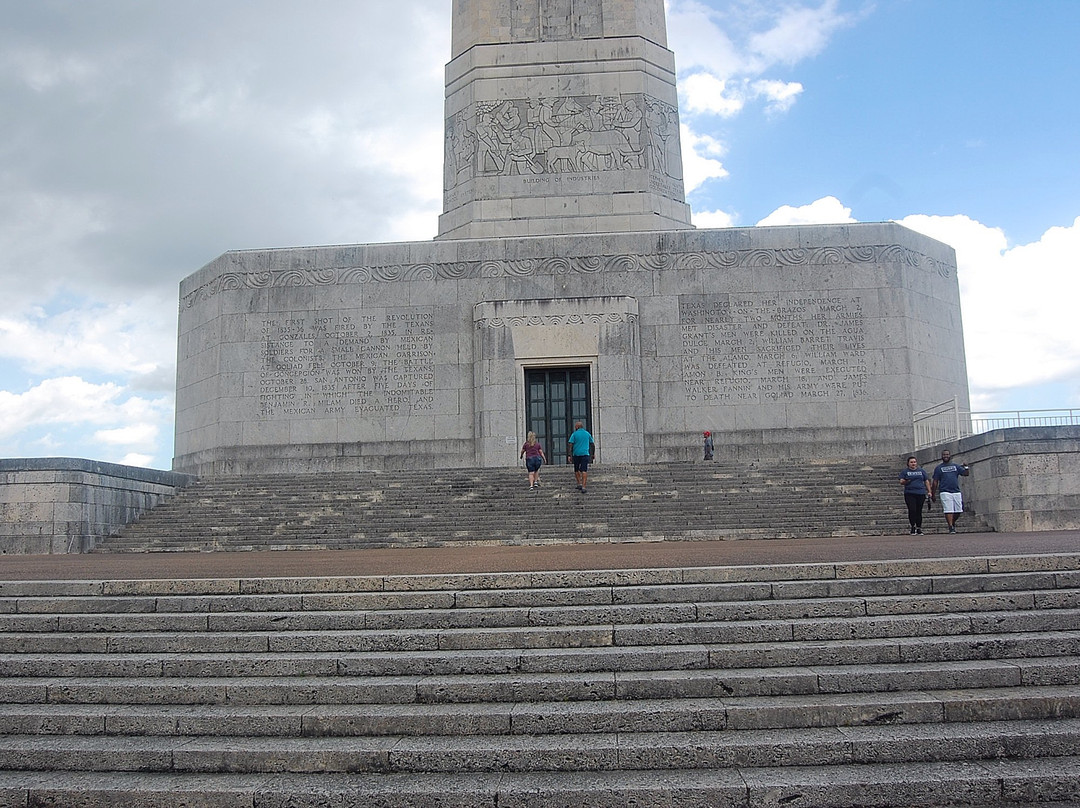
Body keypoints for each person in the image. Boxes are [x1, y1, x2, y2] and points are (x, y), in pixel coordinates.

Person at [932, 449, 970, 534]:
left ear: (950, 456)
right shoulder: (939, 468)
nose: (945, 456)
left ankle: (952, 522)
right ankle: (950, 527)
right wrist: (933, 493)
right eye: (944, 455)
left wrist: (966, 467)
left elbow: (966, 474)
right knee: (948, 509)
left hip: (956, 491)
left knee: (958, 510)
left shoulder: (955, 466)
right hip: (945, 491)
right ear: (941, 456)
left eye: (947, 454)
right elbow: (935, 481)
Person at [899, 456, 931, 535]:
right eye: (911, 462)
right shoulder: (905, 472)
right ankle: (912, 526)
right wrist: (906, 481)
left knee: (919, 511)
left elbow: (926, 481)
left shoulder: (921, 471)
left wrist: (929, 491)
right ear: (908, 463)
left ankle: (919, 527)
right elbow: (901, 481)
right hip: (910, 493)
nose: (913, 463)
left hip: (920, 493)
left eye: (914, 462)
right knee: (912, 509)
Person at [567, 420, 594, 493]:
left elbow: (570, 444)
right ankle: (584, 486)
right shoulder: (587, 434)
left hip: (577, 454)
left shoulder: (574, 434)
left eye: (575, 426)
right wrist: (593, 454)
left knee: (576, 469)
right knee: (584, 470)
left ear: (577, 427)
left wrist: (569, 455)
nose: (575, 427)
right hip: (585, 454)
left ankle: (579, 483)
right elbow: (592, 444)